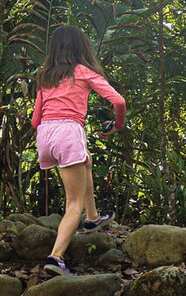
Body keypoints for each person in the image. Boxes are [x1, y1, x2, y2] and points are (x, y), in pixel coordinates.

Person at [31, 25, 126, 276]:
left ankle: (93, 217)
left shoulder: (46, 76)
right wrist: (117, 125)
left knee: (86, 161)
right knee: (73, 204)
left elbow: (34, 120)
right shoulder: (82, 71)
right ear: (80, 47)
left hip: (45, 135)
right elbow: (119, 101)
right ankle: (56, 257)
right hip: (68, 131)